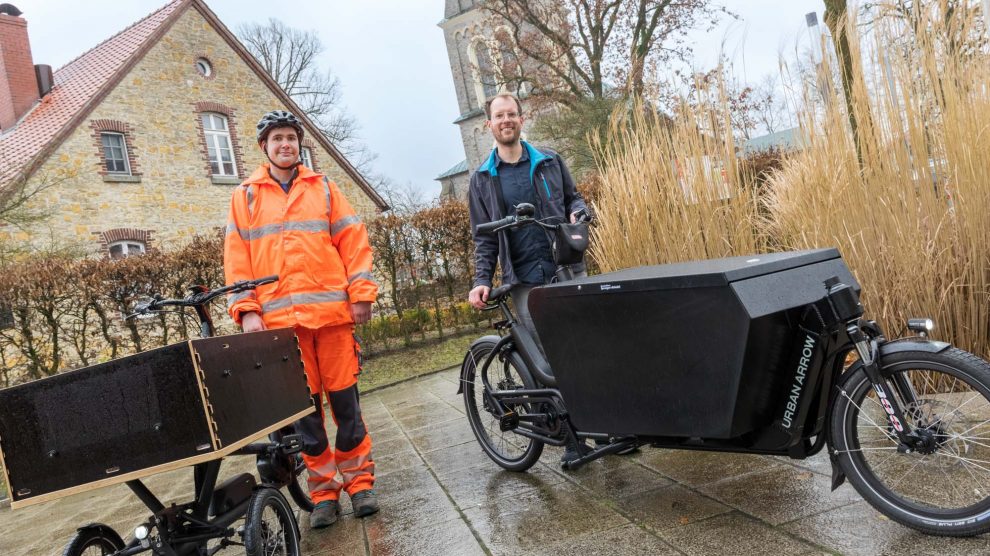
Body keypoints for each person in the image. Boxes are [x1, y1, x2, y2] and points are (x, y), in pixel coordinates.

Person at [224, 110, 379, 529]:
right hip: (282, 328)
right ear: (265, 147)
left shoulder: (324, 188)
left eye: (291, 137)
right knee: (307, 418)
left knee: (347, 406)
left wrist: (361, 293)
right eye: (277, 139)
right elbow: (237, 258)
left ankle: (360, 483)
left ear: (299, 144)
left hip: (331, 319)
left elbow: (353, 240)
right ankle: (324, 492)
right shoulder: (246, 197)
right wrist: (248, 310)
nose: (285, 144)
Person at [466, 93, 590, 462]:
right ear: (489, 124)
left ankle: (604, 427)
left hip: (565, 267)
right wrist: (481, 278)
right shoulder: (482, 179)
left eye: (511, 114)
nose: (506, 120)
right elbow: (484, 236)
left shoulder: (550, 160)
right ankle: (571, 440)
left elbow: (574, 199)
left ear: (522, 119)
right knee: (550, 360)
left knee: (585, 348)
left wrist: (579, 213)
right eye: (498, 116)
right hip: (524, 278)